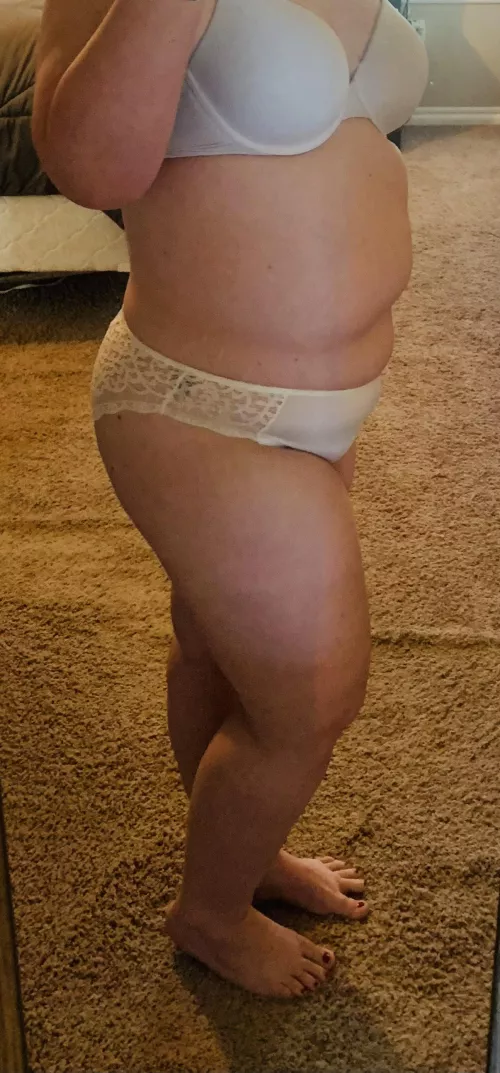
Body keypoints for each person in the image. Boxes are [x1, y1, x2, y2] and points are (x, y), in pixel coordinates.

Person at [33, 0, 428, 999]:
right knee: (312, 698)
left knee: (222, 651)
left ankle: (243, 855)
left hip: (327, 408)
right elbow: (89, 170)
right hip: (205, 410)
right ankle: (209, 913)